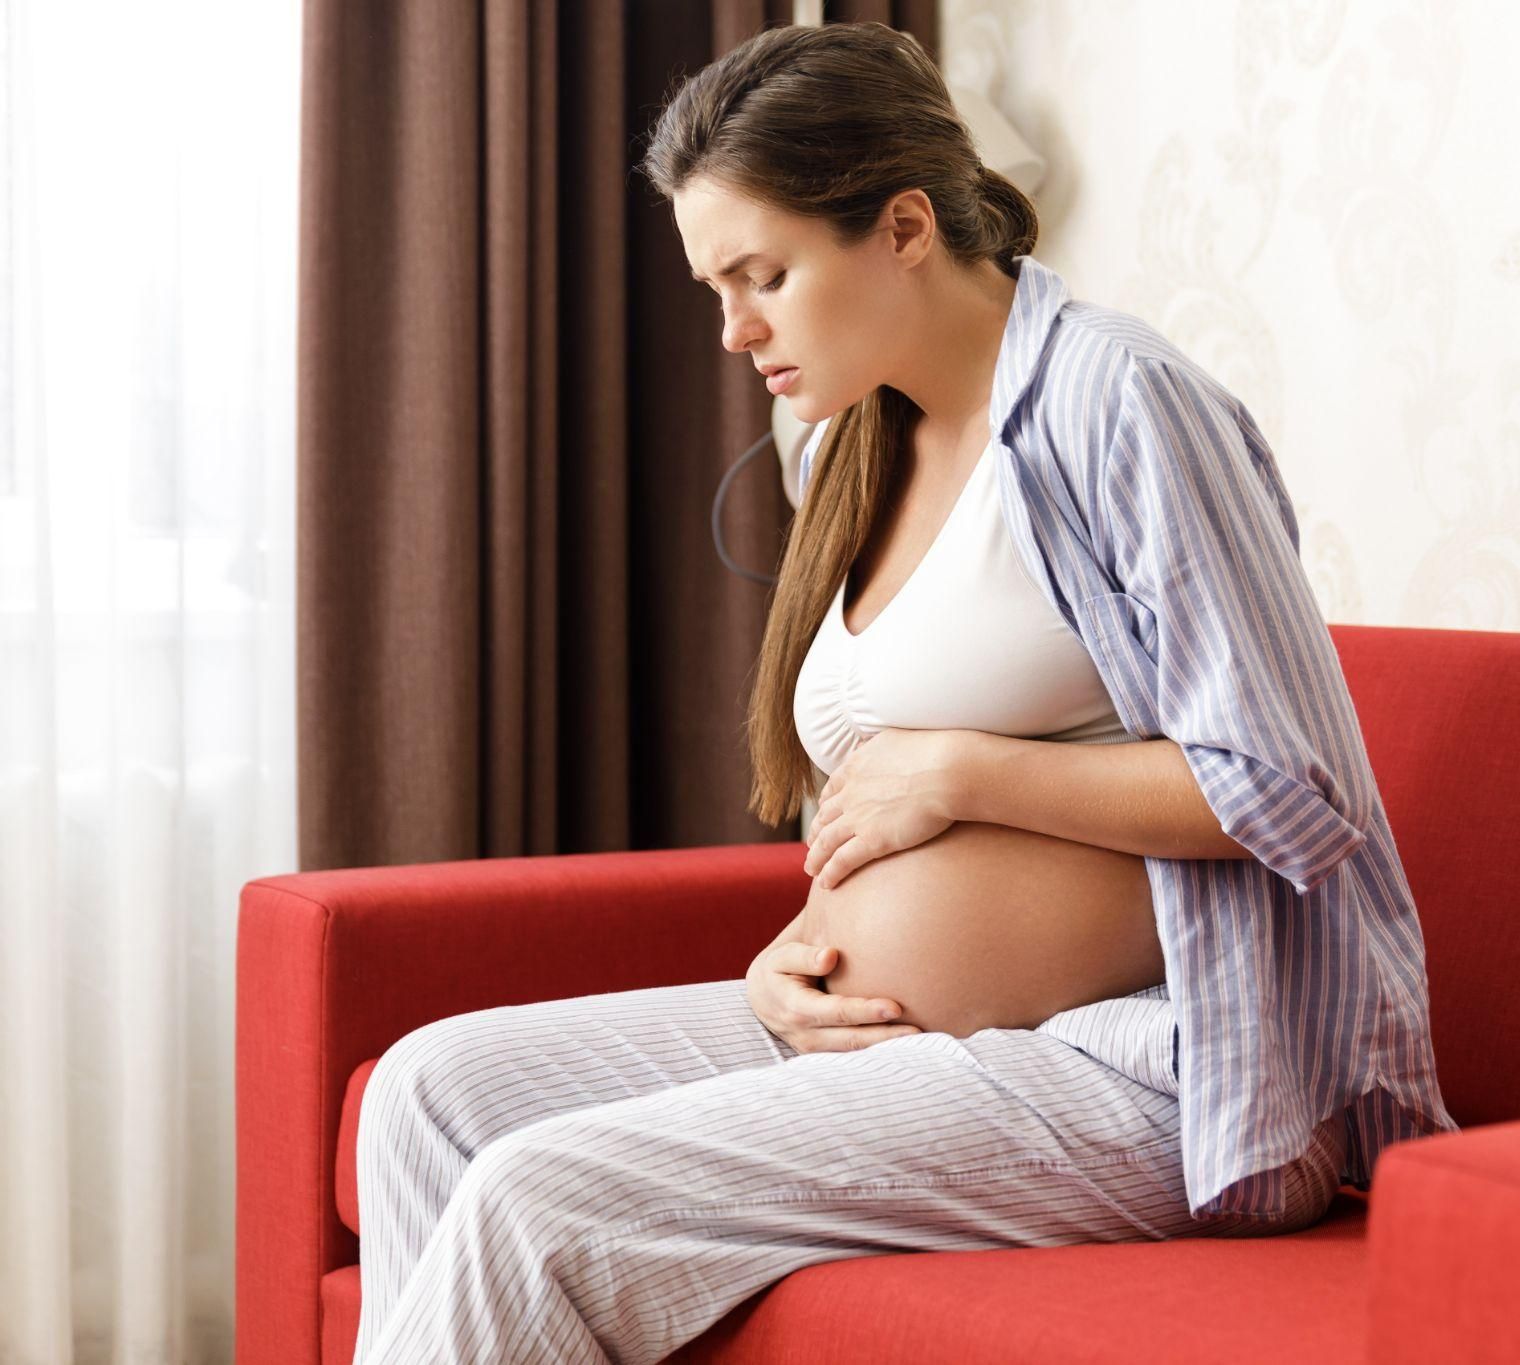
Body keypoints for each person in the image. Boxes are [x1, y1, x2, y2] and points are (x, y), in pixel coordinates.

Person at [351, 21, 1457, 1364]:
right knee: (423, 1095)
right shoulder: (844, 443)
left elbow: (1293, 787)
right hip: (891, 1038)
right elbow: (869, 806)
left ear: (905, 225)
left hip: (1145, 1070)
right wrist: (794, 951)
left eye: (762, 274)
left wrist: (965, 769)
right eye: (715, 286)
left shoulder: (1121, 401)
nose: (732, 328)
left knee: (539, 1199)